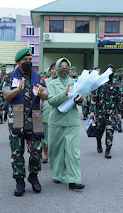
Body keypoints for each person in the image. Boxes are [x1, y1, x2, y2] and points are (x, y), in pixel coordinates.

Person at [3, 47, 48, 196]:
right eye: (25, 60)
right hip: (16, 117)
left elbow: (47, 95)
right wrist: (17, 90)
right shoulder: (10, 77)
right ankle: (19, 181)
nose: (28, 62)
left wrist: (42, 92)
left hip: (35, 117)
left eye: (30, 60)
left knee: (36, 152)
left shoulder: (38, 77)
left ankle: (33, 176)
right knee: (17, 152)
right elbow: (5, 95)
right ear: (18, 62)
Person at [47, 58, 85, 190]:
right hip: (56, 121)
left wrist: (81, 99)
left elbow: (83, 101)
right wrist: (64, 94)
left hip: (72, 122)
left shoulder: (75, 82)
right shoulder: (52, 84)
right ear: (57, 69)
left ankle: (74, 179)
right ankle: (57, 174)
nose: (64, 69)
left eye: (66, 66)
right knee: (56, 150)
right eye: (61, 66)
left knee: (73, 151)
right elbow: (51, 101)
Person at [90, 64, 122, 158]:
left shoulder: (116, 85)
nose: (110, 72)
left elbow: (119, 99)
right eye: (108, 70)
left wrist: (119, 112)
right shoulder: (100, 83)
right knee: (99, 131)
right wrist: (92, 111)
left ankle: (108, 150)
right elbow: (94, 98)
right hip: (100, 112)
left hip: (111, 113)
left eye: (112, 71)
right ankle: (99, 143)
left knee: (110, 131)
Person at [41, 62, 57, 164]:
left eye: (57, 68)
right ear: (49, 71)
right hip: (46, 111)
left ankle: (55, 155)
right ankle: (45, 153)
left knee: (56, 136)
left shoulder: (64, 82)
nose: (55, 71)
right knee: (44, 135)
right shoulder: (45, 82)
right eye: (53, 69)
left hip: (58, 112)